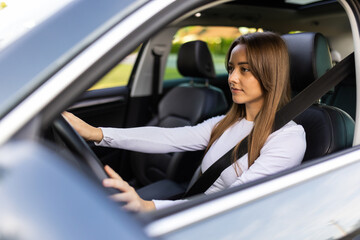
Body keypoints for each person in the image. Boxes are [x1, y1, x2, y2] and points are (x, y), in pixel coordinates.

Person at [63, 31, 306, 212]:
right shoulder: (226, 122)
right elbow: (168, 137)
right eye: (231, 68)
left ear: (270, 73)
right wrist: (97, 133)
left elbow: (232, 205)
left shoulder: (288, 138)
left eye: (245, 70)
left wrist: (150, 207)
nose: (231, 78)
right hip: (195, 210)